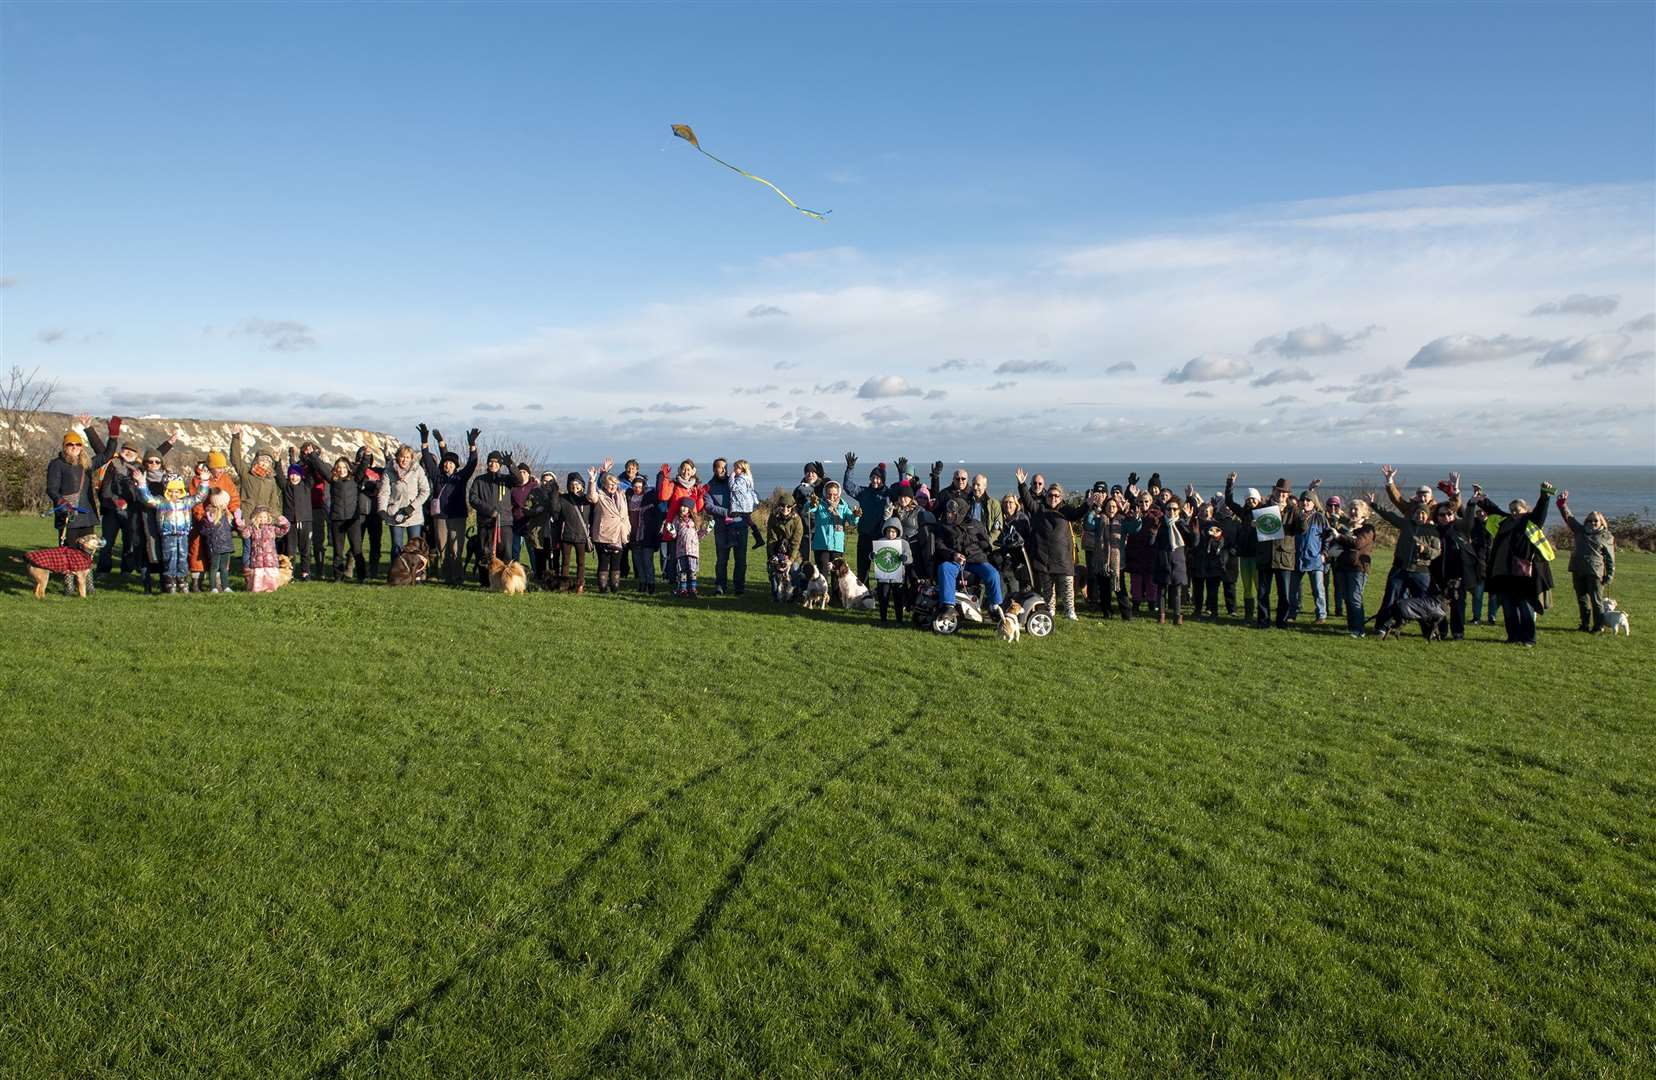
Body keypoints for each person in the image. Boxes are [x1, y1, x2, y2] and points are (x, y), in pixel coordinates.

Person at [48, 415, 122, 592]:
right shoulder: (57, 464)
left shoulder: (86, 463)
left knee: (88, 550)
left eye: (78, 445)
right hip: (68, 515)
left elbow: (108, 455)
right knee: (69, 549)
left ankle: (88, 583)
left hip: (87, 514)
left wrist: (112, 436)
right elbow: (51, 489)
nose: (74, 448)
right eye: (71, 445)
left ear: (82, 447)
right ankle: (69, 584)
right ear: (65, 447)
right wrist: (62, 503)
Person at [1478, 482, 1555, 646]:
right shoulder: (1505, 521)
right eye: (1512, 510)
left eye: (1517, 510)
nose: (1514, 513)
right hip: (1503, 573)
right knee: (1508, 608)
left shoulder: (1530, 521)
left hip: (1523, 574)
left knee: (1525, 608)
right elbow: (1493, 510)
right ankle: (1512, 637)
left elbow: (1540, 513)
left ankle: (1529, 639)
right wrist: (1481, 498)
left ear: (1525, 510)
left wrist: (1544, 495)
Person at [1224, 473, 1302, 629]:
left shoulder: (1292, 510)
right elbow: (1232, 505)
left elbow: (1300, 529)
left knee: (1284, 594)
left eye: (1284, 493)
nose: (1281, 495)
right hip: (1265, 556)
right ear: (1274, 491)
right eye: (1279, 492)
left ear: (1288, 495)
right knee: (1262, 593)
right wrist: (1230, 485)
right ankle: (1263, 621)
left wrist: (1298, 512)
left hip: (1283, 557)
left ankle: (1282, 621)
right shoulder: (1263, 508)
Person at [1017, 469, 1085, 621]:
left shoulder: (1066, 510)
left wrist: (1088, 504)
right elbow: (1028, 500)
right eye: (1050, 495)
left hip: (1063, 558)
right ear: (1046, 496)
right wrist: (1022, 484)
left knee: (1067, 587)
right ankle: (1050, 611)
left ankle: (1070, 612)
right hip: (1044, 558)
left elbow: (1077, 514)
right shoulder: (1039, 509)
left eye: (1056, 495)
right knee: (1048, 589)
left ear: (1061, 497)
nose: (1053, 498)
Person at [133, 471, 209, 594]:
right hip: (167, 534)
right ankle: (170, 582)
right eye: (171, 491)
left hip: (183, 534)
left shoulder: (186, 502)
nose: (174, 494)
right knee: (170, 558)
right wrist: (142, 483)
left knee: (183, 558)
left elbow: (200, 497)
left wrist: (204, 482)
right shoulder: (161, 502)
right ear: (166, 490)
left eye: (177, 491)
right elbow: (147, 499)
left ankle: (183, 581)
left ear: (181, 491)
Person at [422, 427, 479, 586]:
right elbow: (427, 460)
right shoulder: (437, 477)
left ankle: (458, 578)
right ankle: (447, 577)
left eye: (451, 463)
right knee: (442, 548)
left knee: (456, 549)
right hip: (440, 517)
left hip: (458, 517)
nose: (448, 465)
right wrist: (424, 442)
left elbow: (472, 464)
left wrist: (472, 445)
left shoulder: (461, 477)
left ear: (455, 466)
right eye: (445, 463)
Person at [306, 445, 371, 582]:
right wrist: (312, 455)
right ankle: (338, 577)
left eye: (344, 467)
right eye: (339, 467)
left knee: (357, 549)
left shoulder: (355, 479)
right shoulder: (333, 479)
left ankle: (361, 576)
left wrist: (367, 456)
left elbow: (363, 468)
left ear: (348, 468)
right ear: (336, 468)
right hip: (337, 519)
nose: (341, 469)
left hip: (352, 519)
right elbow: (321, 467)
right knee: (337, 551)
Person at [931, 498, 1004, 617]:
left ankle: (995, 607)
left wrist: (986, 550)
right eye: (948, 512)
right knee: (945, 568)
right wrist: (953, 555)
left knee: (992, 574)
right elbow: (939, 545)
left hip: (976, 560)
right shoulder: (943, 526)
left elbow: (985, 544)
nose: (949, 515)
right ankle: (948, 606)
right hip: (955, 561)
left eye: (952, 512)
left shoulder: (976, 524)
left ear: (960, 512)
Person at [1556, 490, 1615, 633]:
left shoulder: (1606, 536)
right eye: (1590, 520)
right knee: (1582, 600)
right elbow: (1569, 517)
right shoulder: (1580, 530)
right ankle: (1584, 624)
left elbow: (1610, 558)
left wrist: (1609, 575)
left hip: (1595, 571)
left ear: (1601, 522)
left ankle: (1598, 626)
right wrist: (1562, 504)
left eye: (1595, 520)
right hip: (1577, 568)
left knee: (1596, 601)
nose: (1592, 523)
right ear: (1586, 521)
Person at [468, 449, 522, 588]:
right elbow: (473, 499)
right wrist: (489, 511)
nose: (493, 464)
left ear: (500, 464)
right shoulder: (479, 480)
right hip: (485, 523)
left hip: (504, 523)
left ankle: (505, 583)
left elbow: (519, 480)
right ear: (487, 463)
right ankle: (485, 583)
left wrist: (511, 465)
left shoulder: (506, 479)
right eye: (491, 462)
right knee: (485, 555)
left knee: (506, 555)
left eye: (496, 462)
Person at [1327, 499, 1376, 637]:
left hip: (1358, 568)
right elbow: (1338, 542)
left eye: (1356, 509)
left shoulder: (1368, 528)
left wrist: (1339, 536)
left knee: (1355, 597)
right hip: (1343, 566)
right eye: (1351, 509)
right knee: (1347, 598)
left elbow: (1357, 543)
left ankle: (1359, 629)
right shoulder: (1345, 526)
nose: (1353, 511)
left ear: (1364, 513)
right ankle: (1351, 626)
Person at [842, 451, 893, 583]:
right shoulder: (864, 492)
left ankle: (881, 597)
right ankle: (863, 596)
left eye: (878, 478)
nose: (875, 480)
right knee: (863, 570)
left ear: (882, 480)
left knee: (882, 570)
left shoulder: (888, 494)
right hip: (864, 536)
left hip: (880, 536)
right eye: (873, 477)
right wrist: (850, 468)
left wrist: (902, 474)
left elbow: (902, 490)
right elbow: (848, 487)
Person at [378, 442, 432, 560]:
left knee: (415, 547)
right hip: (395, 514)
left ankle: (416, 576)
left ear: (411, 458)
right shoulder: (389, 471)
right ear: (397, 457)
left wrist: (411, 507)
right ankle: (396, 574)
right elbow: (384, 493)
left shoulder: (418, 470)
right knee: (397, 547)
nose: (404, 460)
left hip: (413, 514)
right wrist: (382, 509)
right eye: (402, 456)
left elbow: (425, 491)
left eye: (407, 457)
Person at [1288, 483, 1331, 623]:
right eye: (1303, 500)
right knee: (1293, 590)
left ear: (1314, 503)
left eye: (1308, 500)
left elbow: (1328, 536)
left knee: (1318, 590)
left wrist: (1324, 553)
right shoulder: (1295, 516)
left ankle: (1321, 615)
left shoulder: (1320, 517)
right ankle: (1291, 614)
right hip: (1296, 558)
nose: (1305, 502)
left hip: (1315, 558)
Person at [586, 462, 632, 593]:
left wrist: (627, 528)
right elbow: (591, 496)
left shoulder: (621, 494)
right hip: (603, 534)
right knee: (604, 562)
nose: (613, 486)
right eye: (610, 484)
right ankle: (602, 587)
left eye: (615, 484)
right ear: (604, 485)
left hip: (619, 533)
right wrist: (592, 480)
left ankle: (615, 587)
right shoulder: (599, 495)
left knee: (617, 562)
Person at [1153, 496, 1192, 625]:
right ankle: (1161, 616)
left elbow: (1193, 542)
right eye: (1169, 509)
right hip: (1163, 561)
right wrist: (1153, 533)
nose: (1171, 511)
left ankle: (1177, 617)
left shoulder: (1181, 524)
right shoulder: (1160, 523)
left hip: (1178, 562)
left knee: (1177, 592)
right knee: (1162, 591)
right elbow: (1152, 543)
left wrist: (1188, 522)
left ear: (1179, 510)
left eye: (1174, 509)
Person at [806, 480, 858, 574]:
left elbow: (852, 521)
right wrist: (811, 503)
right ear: (825, 493)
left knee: (837, 575)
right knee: (822, 573)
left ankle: (836, 590)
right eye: (829, 494)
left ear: (839, 493)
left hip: (837, 545)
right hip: (821, 545)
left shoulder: (843, 506)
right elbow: (809, 508)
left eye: (835, 494)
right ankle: (823, 589)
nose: (832, 497)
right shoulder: (820, 504)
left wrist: (856, 515)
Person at [237, 505, 290, 592]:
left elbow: (282, 531)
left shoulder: (272, 528)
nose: (263, 519)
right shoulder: (252, 528)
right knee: (258, 573)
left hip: (270, 557)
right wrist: (241, 526)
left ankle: (270, 587)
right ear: (256, 517)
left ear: (268, 517)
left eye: (265, 517)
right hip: (257, 557)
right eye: (260, 517)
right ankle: (257, 588)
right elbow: (245, 535)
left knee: (269, 573)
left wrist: (285, 524)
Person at [665, 501, 711, 598]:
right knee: (682, 570)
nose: (683, 509)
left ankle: (693, 589)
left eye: (685, 507)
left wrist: (707, 530)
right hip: (681, 550)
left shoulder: (695, 521)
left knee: (692, 570)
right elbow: (674, 535)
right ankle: (682, 589)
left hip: (693, 551)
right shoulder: (677, 520)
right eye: (681, 507)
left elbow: (699, 536)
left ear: (689, 509)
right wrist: (671, 531)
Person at [281, 459, 317, 581]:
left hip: (306, 521)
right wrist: (276, 462)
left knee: (305, 548)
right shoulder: (286, 486)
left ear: (301, 476)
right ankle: (289, 573)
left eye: (297, 474)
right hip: (290, 522)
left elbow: (312, 472)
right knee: (290, 549)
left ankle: (305, 572)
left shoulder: (307, 485)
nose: (294, 477)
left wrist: (312, 457)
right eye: (292, 474)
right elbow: (279, 476)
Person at [872, 518, 912, 624]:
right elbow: (874, 556)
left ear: (898, 531)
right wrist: (872, 556)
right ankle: (883, 619)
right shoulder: (880, 542)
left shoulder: (903, 543)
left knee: (898, 599)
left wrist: (905, 558)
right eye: (888, 531)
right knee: (883, 598)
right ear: (884, 531)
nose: (890, 534)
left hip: (898, 577)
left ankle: (899, 620)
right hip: (883, 577)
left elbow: (910, 558)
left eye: (893, 531)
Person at [765, 494, 805, 599]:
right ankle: (776, 595)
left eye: (788, 506)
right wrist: (774, 557)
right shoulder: (773, 517)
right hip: (776, 550)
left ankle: (794, 596)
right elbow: (771, 539)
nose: (785, 509)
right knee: (773, 569)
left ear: (793, 507)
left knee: (795, 569)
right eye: (782, 506)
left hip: (793, 553)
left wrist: (790, 560)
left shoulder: (797, 520)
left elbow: (796, 543)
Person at [200, 489, 237, 593]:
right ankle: (213, 587)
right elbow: (204, 531)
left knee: (224, 567)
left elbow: (230, 528)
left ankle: (226, 586)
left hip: (226, 545)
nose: (227, 504)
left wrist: (237, 521)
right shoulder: (209, 514)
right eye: (225, 502)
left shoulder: (227, 514)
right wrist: (209, 524)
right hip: (215, 545)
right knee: (214, 567)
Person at [631, 475, 663, 594]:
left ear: (644, 487)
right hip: (634, 535)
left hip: (647, 536)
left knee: (647, 562)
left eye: (639, 487)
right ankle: (642, 583)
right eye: (635, 487)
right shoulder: (629, 498)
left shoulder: (650, 500)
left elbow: (655, 521)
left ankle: (651, 584)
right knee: (638, 562)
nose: (637, 489)